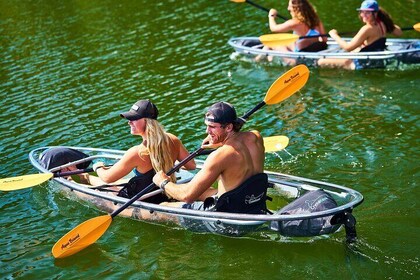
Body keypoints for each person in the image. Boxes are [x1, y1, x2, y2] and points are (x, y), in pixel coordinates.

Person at [152, 101, 268, 215]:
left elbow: (187, 196)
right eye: (207, 126)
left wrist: (163, 182)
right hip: (256, 206)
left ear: (228, 127)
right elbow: (237, 140)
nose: (207, 131)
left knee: (163, 207)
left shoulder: (219, 156)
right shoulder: (255, 137)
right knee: (202, 191)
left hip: (228, 218)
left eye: (212, 127)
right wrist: (219, 140)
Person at [89, 99, 196, 204]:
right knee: (120, 183)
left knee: (102, 188)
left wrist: (98, 166)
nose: (129, 123)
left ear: (147, 121)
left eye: (133, 119)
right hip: (164, 194)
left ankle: (75, 181)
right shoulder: (173, 140)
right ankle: (85, 178)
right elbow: (191, 166)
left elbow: (107, 178)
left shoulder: (137, 152)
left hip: (140, 199)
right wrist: (170, 162)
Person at [318, 0, 403, 70]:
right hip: (376, 62)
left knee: (321, 61)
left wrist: (334, 35)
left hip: (362, 64)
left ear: (375, 13)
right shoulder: (383, 23)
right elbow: (399, 32)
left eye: (368, 13)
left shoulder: (367, 28)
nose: (363, 15)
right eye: (362, 12)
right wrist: (390, 23)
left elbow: (348, 48)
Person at [256, 0, 327, 63]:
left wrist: (271, 16)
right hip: (317, 50)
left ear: (296, 8)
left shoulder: (295, 22)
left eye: (290, 7)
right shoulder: (316, 20)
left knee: (271, 44)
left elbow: (274, 28)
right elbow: (324, 39)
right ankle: (267, 57)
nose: (288, 8)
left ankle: (256, 61)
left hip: (300, 58)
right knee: (287, 42)